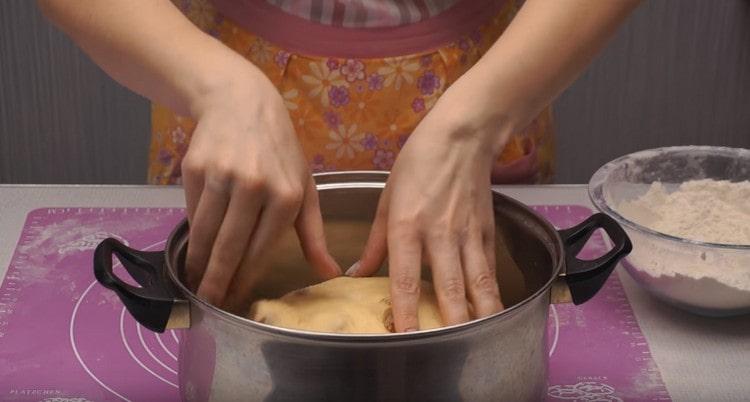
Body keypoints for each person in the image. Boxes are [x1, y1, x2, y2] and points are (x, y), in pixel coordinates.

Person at [39, 0, 639, 332]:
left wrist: (479, 119)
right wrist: (215, 87)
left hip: (486, 81)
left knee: (467, 285)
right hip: (219, 77)